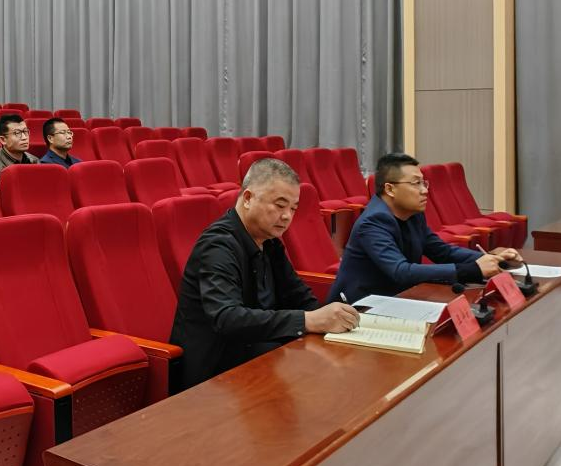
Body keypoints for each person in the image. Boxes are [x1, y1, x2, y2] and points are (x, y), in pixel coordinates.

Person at [170, 158, 359, 391]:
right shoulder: (217, 246)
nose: (287, 216)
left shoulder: (269, 242)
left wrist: (332, 318)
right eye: (280, 205)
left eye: (293, 208)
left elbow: (299, 296)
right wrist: (309, 320)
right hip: (215, 375)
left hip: (259, 355)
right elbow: (228, 318)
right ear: (248, 198)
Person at [328, 153, 520, 302]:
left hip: (397, 298)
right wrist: (472, 270)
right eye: (416, 183)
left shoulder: (413, 214)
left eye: (424, 183)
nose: (424, 190)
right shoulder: (373, 222)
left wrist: (490, 259)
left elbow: (441, 252)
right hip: (359, 308)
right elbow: (401, 271)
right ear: (390, 189)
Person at [0, 113, 39, 179]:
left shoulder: (34, 160)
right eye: (17, 133)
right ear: (3, 140)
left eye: (25, 131)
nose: (24, 137)